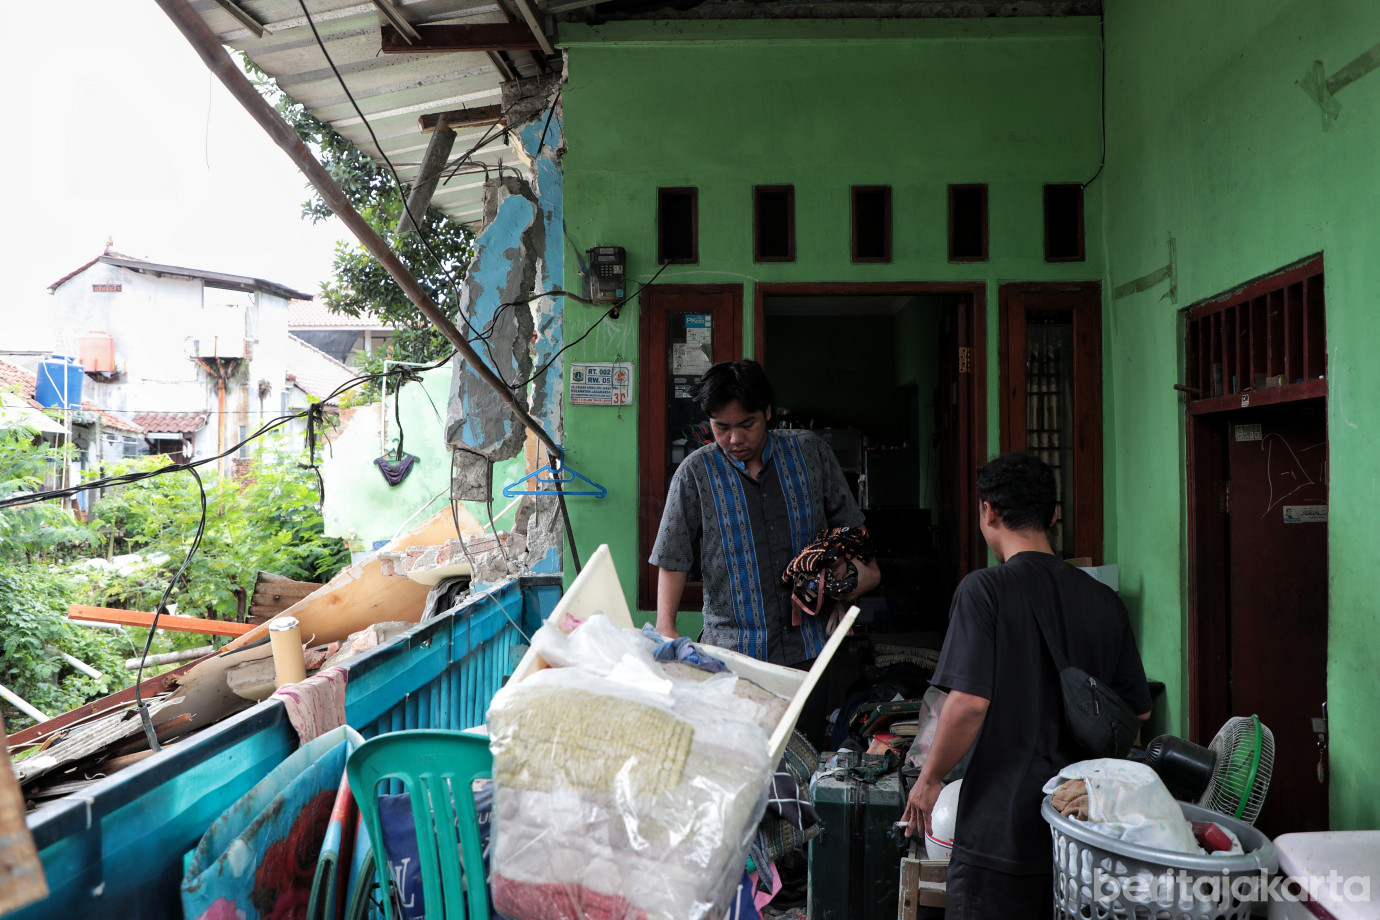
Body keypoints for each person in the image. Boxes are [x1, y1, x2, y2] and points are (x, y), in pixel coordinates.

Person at [901, 451, 1151, 919]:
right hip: (1081, 828)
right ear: (1053, 516)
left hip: (1001, 830)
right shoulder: (1104, 602)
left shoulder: (983, 591)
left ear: (988, 511)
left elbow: (969, 703)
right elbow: (1137, 714)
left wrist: (930, 778)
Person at [649, 360, 880, 739]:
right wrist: (666, 627)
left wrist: (847, 584)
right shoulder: (695, 473)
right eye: (722, 427)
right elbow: (672, 556)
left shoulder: (810, 454)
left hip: (809, 649)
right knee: (738, 757)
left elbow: (852, 531)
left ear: (768, 413)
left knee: (801, 755)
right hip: (732, 655)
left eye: (747, 425)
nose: (734, 438)